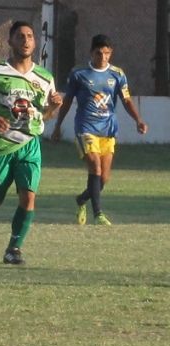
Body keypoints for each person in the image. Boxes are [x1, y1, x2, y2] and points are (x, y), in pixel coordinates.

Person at [0, 21, 63, 265]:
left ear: (35, 41)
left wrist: (54, 106)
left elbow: (45, 115)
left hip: (30, 144)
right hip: (2, 145)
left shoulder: (44, 77)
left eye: (30, 36)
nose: (26, 40)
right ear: (10, 42)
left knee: (28, 197)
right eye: (20, 36)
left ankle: (14, 248)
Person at [50, 34, 148, 226]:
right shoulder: (78, 73)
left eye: (106, 53)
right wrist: (58, 125)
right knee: (94, 166)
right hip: (85, 128)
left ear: (110, 53)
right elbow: (68, 100)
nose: (102, 57)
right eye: (98, 53)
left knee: (103, 178)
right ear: (91, 52)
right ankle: (98, 214)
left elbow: (126, 100)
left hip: (108, 128)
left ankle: (81, 199)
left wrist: (138, 120)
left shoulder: (118, 74)